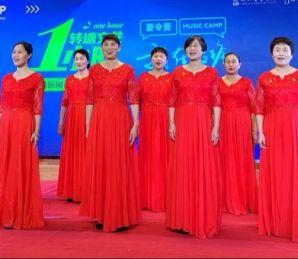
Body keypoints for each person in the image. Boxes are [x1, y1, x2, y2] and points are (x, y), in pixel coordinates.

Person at [256, 37, 298, 242]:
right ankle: (276, 221)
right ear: (271, 54)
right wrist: (260, 132)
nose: (281, 53)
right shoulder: (264, 78)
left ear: (292, 54)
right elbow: (259, 108)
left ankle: (297, 220)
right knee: (276, 172)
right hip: (272, 128)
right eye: (277, 50)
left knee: (297, 172)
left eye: (285, 50)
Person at [80, 34, 140, 232]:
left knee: (118, 163)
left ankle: (119, 214)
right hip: (99, 119)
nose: (109, 47)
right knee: (102, 163)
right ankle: (102, 212)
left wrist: (135, 124)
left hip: (120, 119)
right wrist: (88, 125)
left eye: (113, 44)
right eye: (106, 44)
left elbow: (133, 99)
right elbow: (89, 100)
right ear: (101, 48)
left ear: (119, 47)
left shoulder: (128, 69)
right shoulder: (95, 70)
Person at [166, 35, 222, 239]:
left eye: (196, 46)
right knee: (183, 165)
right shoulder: (178, 72)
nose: (192, 49)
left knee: (203, 165)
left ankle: (202, 216)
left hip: (203, 120)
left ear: (203, 50)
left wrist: (216, 126)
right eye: (189, 46)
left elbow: (216, 101)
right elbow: (172, 100)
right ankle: (183, 218)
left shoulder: (211, 72)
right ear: (185, 50)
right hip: (182, 120)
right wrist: (172, 123)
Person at [0, 42, 44, 229]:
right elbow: (1, 105)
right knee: (4, 164)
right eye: (14, 52)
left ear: (29, 55)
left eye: (20, 52)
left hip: (24, 122)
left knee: (20, 165)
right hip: (6, 123)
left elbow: (38, 107)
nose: (16, 55)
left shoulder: (37, 78)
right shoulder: (6, 78)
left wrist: (36, 131)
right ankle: (4, 210)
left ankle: (19, 211)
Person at [217, 52, 257, 215]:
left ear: (240, 64)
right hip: (223, 123)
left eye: (234, 61)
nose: (231, 64)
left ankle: (242, 199)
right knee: (223, 159)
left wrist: (255, 129)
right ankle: (223, 199)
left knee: (242, 158)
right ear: (223, 64)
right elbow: (213, 107)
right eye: (228, 62)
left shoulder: (247, 83)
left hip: (242, 123)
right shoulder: (217, 83)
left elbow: (254, 108)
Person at [137, 46, 172, 212]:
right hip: (147, 119)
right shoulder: (143, 78)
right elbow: (135, 101)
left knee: (166, 154)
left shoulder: (172, 78)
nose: (158, 59)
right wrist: (136, 122)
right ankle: (146, 196)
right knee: (148, 154)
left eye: (161, 57)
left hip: (166, 118)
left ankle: (167, 197)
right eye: (156, 56)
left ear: (166, 60)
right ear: (150, 59)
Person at [57, 49, 90, 202]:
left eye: (82, 58)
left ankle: (86, 190)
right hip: (72, 118)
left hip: (88, 116)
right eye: (76, 59)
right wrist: (61, 121)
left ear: (88, 61)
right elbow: (65, 101)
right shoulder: (70, 79)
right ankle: (72, 190)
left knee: (86, 152)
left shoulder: (93, 78)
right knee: (72, 152)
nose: (79, 61)